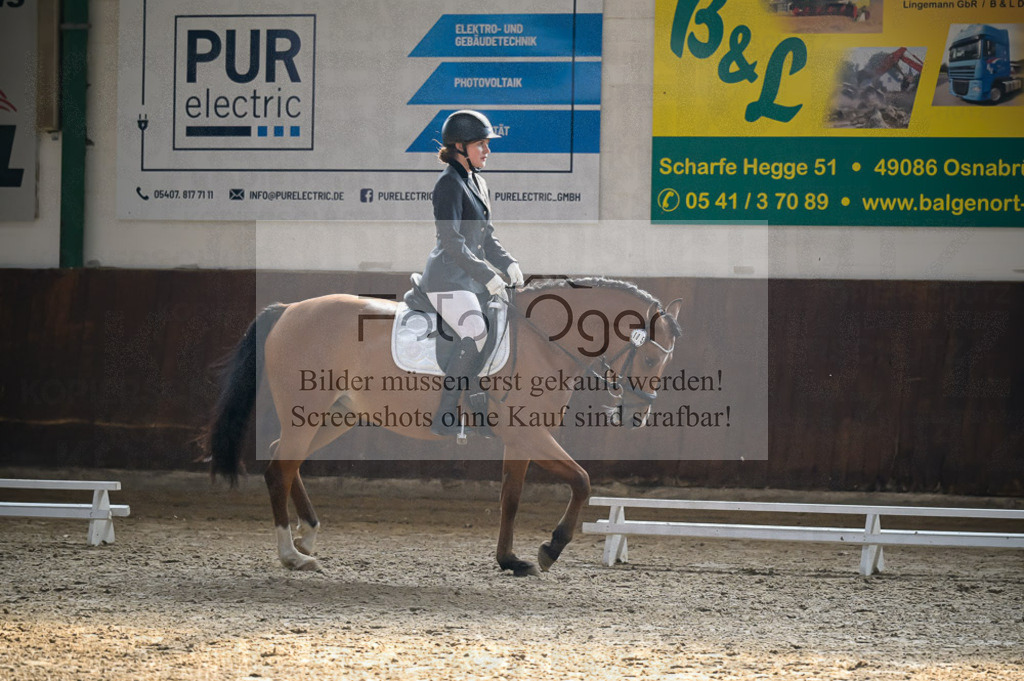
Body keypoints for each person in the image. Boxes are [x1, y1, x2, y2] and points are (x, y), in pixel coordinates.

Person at [421, 110, 524, 437]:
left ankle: (479, 407)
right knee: (476, 329)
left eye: (486, 144)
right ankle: (446, 413)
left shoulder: (478, 182)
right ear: (459, 146)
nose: (487, 150)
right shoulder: (448, 184)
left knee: (500, 324)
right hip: (446, 280)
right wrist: (487, 276)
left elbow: (486, 237)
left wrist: (507, 264)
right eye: (481, 144)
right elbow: (452, 241)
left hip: (469, 281)